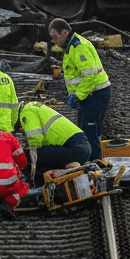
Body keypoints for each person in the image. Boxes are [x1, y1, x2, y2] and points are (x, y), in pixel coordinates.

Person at [48, 18, 111, 160]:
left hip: (95, 94)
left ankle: (95, 164)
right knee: (88, 129)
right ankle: (94, 160)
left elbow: (90, 76)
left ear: (64, 32)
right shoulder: (72, 45)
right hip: (91, 93)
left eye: (55, 37)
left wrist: (78, 95)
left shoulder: (79, 47)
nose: (54, 41)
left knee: (90, 132)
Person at [15, 100, 91, 183]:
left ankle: (38, 189)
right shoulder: (34, 106)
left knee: (38, 157)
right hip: (82, 147)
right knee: (46, 155)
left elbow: (35, 139)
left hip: (75, 148)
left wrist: (26, 154)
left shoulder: (27, 112)